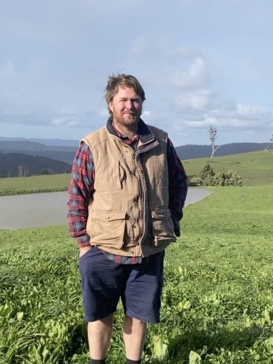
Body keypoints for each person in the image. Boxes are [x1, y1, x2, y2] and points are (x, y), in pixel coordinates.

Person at [67, 74, 189, 364]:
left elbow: (179, 183)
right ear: (110, 104)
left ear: (142, 104)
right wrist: (83, 244)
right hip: (102, 248)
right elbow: (77, 197)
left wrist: (169, 219)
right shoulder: (93, 144)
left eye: (135, 100)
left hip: (148, 249)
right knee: (99, 314)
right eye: (123, 100)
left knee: (138, 315)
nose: (130, 106)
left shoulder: (160, 141)